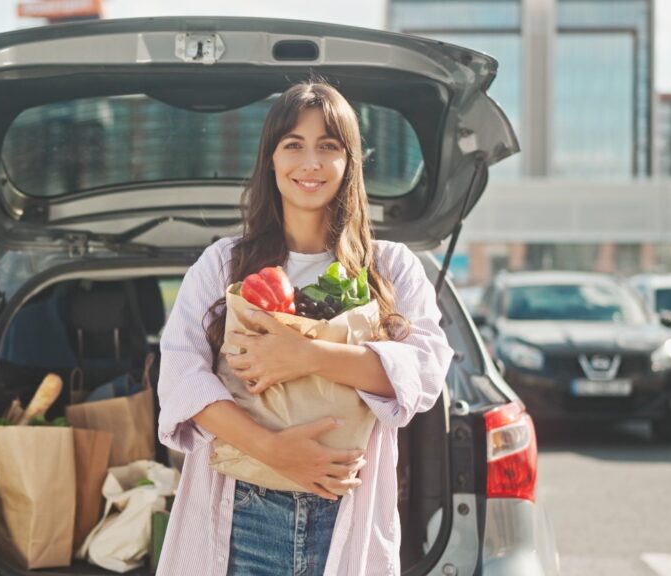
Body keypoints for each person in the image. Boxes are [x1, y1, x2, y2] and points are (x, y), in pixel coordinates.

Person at [155, 80, 454, 575]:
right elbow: (181, 377)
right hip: (243, 511)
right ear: (271, 160)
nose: (310, 163)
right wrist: (274, 451)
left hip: (347, 510)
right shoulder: (222, 264)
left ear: (349, 162)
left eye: (328, 147)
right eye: (293, 145)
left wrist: (307, 356)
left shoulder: (391, 268)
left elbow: (424, 374)